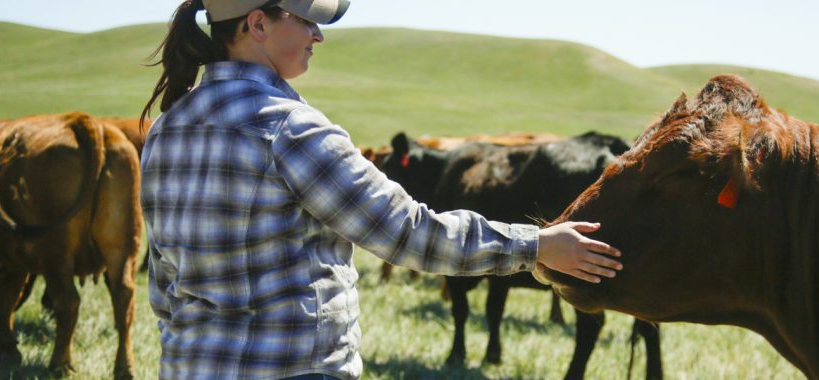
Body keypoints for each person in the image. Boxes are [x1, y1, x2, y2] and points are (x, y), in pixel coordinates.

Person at [138, 1, 623, 379]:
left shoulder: (167, 129)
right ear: (258, 25)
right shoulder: (291, 129)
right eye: (306, 19)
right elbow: (407, 233)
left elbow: (164, 282)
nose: (318, 34)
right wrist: (536, 245)